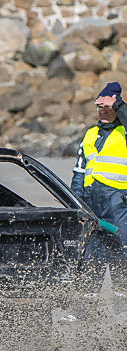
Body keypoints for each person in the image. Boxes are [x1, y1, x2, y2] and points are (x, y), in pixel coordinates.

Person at [72, 82, 127, 245]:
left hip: (118, 204)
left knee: (121, 256)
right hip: (90, 205)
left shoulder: (123, 132)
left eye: (107, 107)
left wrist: (118, 104)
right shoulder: (90, 134)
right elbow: (79, 173)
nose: (103, 111)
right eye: (100, 107)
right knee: (91, 257)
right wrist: (75, 202)